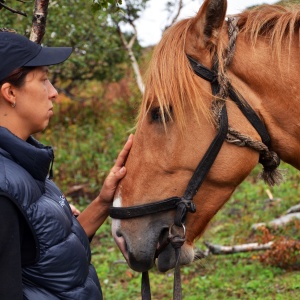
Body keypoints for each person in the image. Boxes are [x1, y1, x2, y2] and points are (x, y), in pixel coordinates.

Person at [0, 31, 133, 300]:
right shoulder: (4, 190)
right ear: (10, 92)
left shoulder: (24, 161)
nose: (54, 93)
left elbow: (51, 251)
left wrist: (103, 200)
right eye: (44, 80)